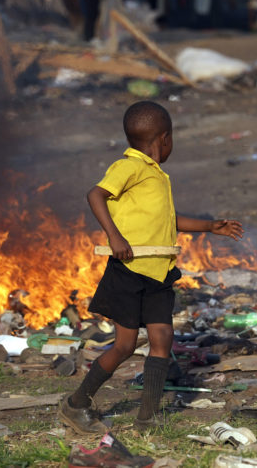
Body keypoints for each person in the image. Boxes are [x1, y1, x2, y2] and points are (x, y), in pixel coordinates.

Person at [59, 101, 244, 432]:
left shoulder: (157, 175)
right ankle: (76, 403)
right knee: (125, 346)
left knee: (162, 339)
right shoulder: (128, 167)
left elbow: (169, 221)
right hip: (129, 271)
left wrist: (209, 226)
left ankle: (148, 418)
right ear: (165, 138)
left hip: (159, 273)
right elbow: (95, 195)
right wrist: (114, 237)